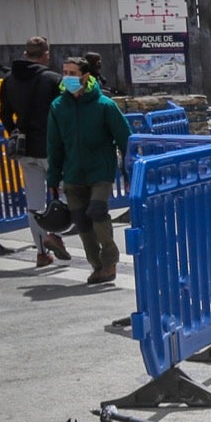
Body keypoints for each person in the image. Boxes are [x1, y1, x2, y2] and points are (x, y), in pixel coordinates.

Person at [45, 55, 130, 285]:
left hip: (100, 172)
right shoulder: (58, 107)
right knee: (81, 221)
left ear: (85, 76)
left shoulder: (105, 105)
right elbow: (54, 145)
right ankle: (97, 266)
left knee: (97, 211)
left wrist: (128, 171)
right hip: (73, 175)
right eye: (65, 72)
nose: (67, 77)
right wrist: (53, 177)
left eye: (72, 73)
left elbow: (125, 139)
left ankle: (110, 260)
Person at [0, 35, 71, 266]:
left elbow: (5, 114)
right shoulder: (53, 80)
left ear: (24, 54)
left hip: (26, 149)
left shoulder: (9, 81)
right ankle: (55, 235)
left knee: (34, 202)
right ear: (46, 55)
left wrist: (15, 133)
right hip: (51, 148)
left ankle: (41, 252)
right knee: (63, 194)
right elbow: (66, 110)